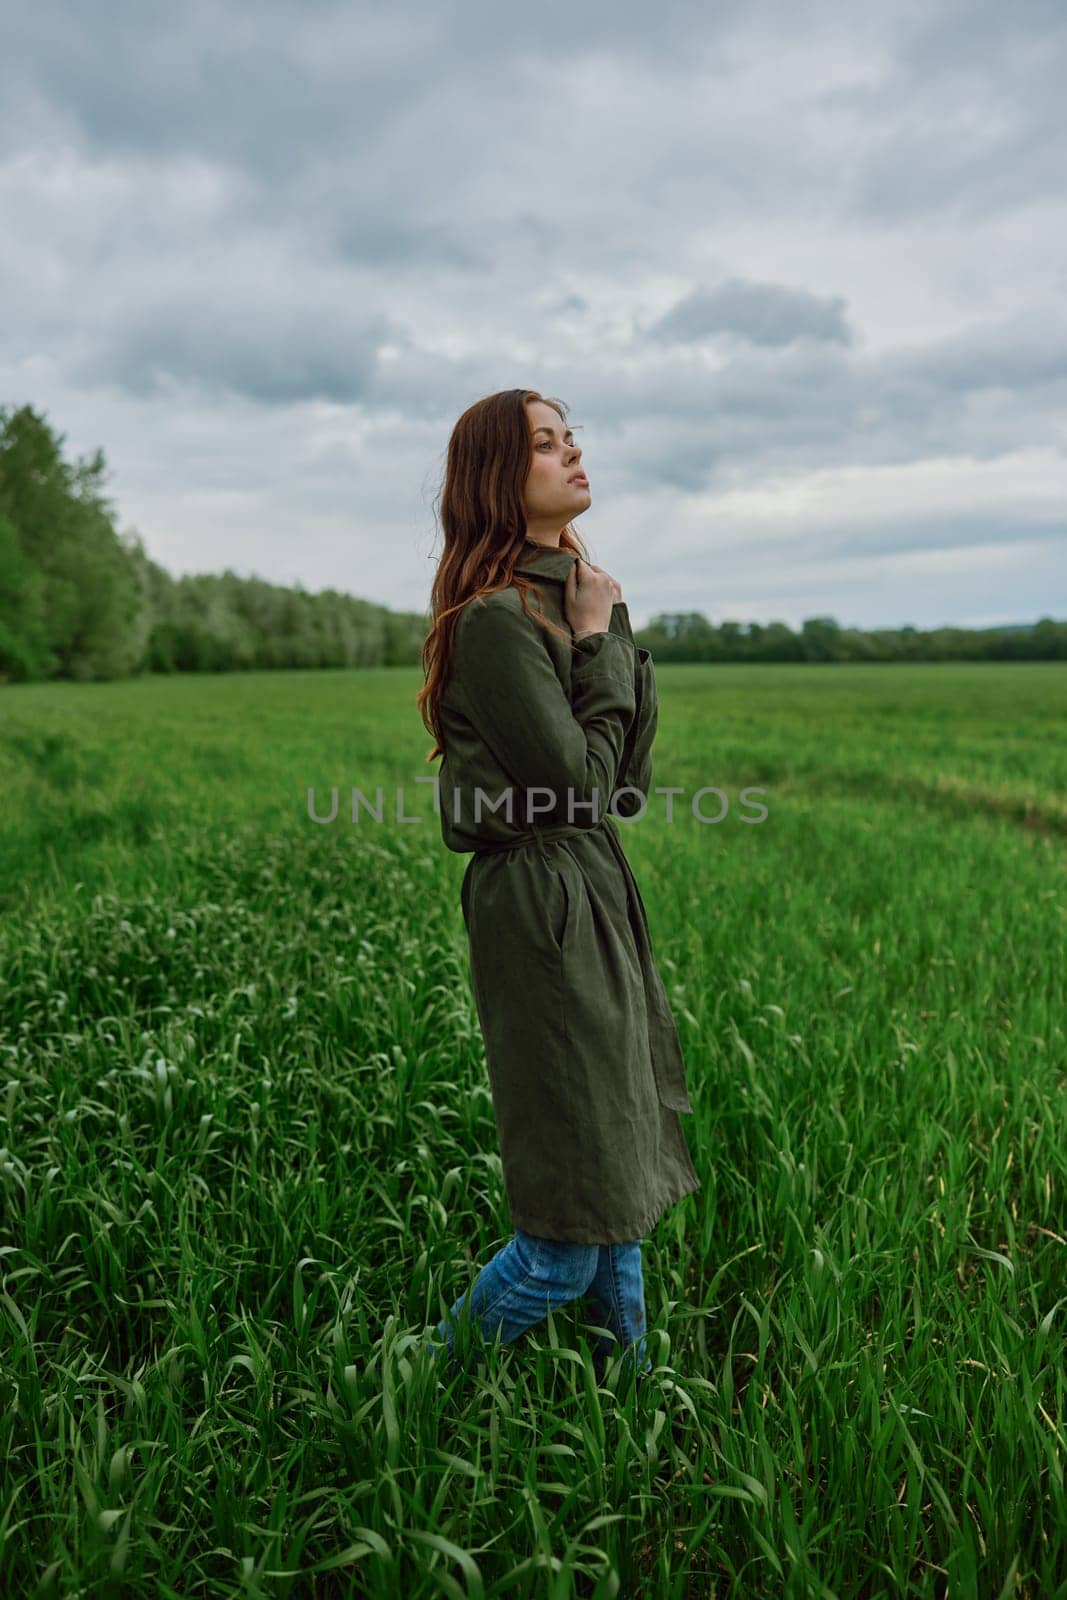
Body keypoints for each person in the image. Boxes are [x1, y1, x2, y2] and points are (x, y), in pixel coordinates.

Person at [416, 387, 700, 1384]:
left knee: (614, 1173)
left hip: (587, 882)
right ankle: (412, 1385)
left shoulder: (565, 596)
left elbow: (619, 788)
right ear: (500, 477)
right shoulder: (497, 620)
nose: (571, 452)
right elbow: (574, 784)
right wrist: (593, 644)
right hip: (541, 905)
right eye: (545, 443)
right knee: (564, 1234)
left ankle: (631, 1388)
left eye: (570, 436)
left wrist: (606, 625)